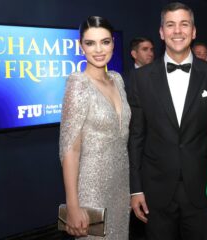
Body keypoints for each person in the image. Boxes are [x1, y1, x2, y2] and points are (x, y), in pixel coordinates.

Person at [128, 2, 207, 240]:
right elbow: (136, 137)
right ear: (161, 32)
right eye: (170, 25)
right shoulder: (140, 79)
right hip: (155, 191)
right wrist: (136, 188)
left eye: (184, 24)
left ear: (194, 31)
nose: (177, 31)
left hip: (202, 190)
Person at [59, 16, 131, 239]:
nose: (99, 49)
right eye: (90, 43)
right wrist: (73, 205)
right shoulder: (78, 84)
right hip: (92, 191)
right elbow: (70, 148)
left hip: (121, 186)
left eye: (105, 42)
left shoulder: (117, 80)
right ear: (81, 46)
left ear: (113, 44)